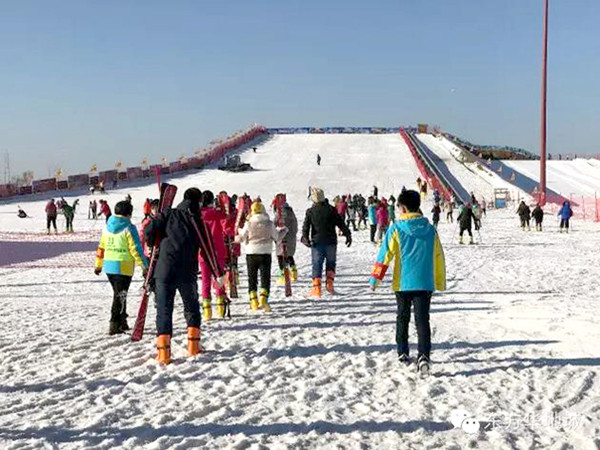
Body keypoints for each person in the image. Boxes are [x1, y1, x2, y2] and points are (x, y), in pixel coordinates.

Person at [369, 190, 446, 374]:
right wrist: (439, 282)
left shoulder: (396, 229)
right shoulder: (430, 230)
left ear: (403, 208)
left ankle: (403, 351)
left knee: (402, 317)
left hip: (403, 283)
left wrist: (375, 278)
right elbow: (438, 257)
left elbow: (384, 256)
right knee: (422, 320)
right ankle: (424, 356)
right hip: (424, 283)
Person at [145, 187, 223, 364]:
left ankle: (164, 353)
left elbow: (149, 229)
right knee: (191, 307)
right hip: (187, 271)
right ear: (199, 202)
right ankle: (193, 346)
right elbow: (207, 248)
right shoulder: (196, 220)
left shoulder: (167, 214)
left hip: (164, 270)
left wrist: (152, 244)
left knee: (164, 309)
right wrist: (217, 273)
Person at [94, 200, 148, 335]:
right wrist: (144, 266)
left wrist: (98, 265)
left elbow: (101, 247)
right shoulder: (129, 228)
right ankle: (114, 323)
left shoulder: (107, 227)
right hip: (123, 267)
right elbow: (135, 249)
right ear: (128, 213)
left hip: (109, 266)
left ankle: (122, 321)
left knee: (120, 294)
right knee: (119, 296)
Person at [236, 201, 286, 312]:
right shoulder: (269, 223)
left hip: (251, 253)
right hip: (265, 253)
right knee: (265, 277)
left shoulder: (249, 224)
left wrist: (237, 234)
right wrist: (284, 231)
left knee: (252, 278)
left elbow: (241, 238)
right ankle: (263, 298)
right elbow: (277, 237)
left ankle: (253, 301)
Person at [301, 187, 351, 297]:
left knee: (317, 264)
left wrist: (305, 238)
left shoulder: (310, 211)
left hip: (317, 242)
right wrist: (348, 235)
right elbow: (340, 223)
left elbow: (306, 227)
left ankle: (316, 289)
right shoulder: (331, 209)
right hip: (331, 242)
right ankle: (330, 285)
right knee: (331, 263)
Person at [199, 190, 230, 321]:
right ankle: (220, 307)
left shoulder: (198, 214)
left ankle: (207, 311)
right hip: (218, 250)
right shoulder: (216, 213)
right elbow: (227, 221)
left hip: (203, 252)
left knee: (205, 280)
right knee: (219, 278)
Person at [275, 200, 298, 284]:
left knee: (280, 256)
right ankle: (293, 271)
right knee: (289, 255)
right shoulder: (292, 214)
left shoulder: (279, 214)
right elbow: (295, 227)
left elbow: (274, 225)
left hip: (281, 238)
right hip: (291, 239)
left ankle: (282, 274)